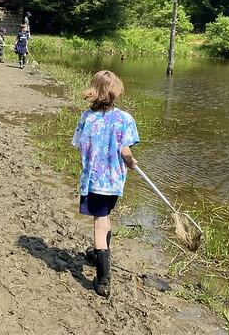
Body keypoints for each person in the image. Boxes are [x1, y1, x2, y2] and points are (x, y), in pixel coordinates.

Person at [71, 70, 139, 298]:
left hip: (94, 181)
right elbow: (125, 150)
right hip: (115, 183)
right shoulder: (124, 119)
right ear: (115, 93)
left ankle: (103, 278)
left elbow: (80, 145)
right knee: (105, 217)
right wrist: (130, 162)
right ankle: (99, 255)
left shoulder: (86, 118)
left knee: (99, 225)